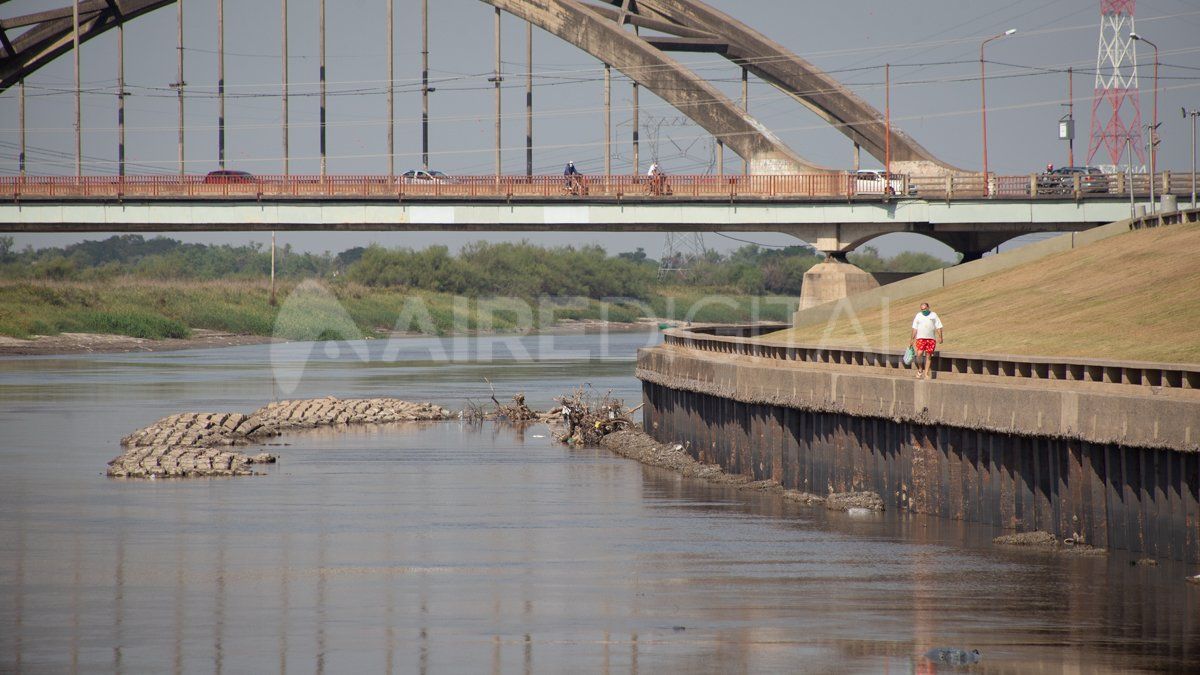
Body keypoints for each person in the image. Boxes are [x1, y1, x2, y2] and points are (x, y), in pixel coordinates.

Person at [909, 301, 944, 379]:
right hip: (920, 338)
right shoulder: (918, 316)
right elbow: (914, 328)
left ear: (928, 308)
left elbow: (938, 326)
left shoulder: (933, 315)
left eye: (925, 309)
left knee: (928, 356)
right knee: (919, 353)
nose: (923, 310)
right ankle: (920, 368)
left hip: (931, 339)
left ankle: (926, 373)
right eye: (922, 309)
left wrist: (940, 337)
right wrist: (912, 339)